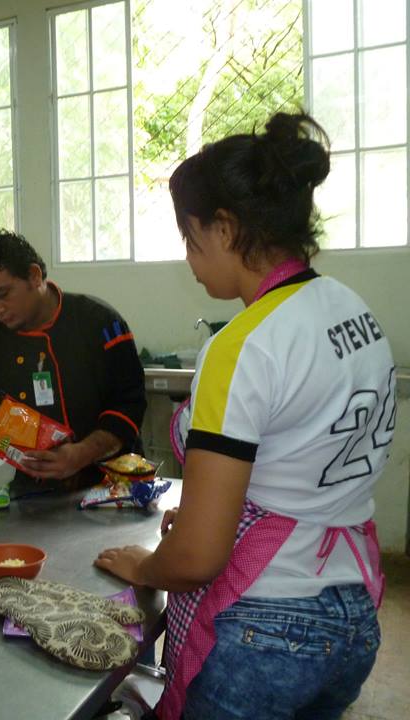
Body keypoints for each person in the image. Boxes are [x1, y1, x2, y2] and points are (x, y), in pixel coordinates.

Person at [95, 112, 393, 720]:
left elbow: (199, 558)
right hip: (354, 614)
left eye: (191, 239)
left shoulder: (242, 345)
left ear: (226, 229)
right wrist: (223, 510)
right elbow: (304, 462)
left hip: (266, 631)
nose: (190, 260)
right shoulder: (352, 310)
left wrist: (144, 565)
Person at [0, 230, 147, 485]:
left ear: (34, 276)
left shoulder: (100, 324)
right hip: (26, 493)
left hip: (107, 488)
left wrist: (81, 454)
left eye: (3, 294)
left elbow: (129, 404)